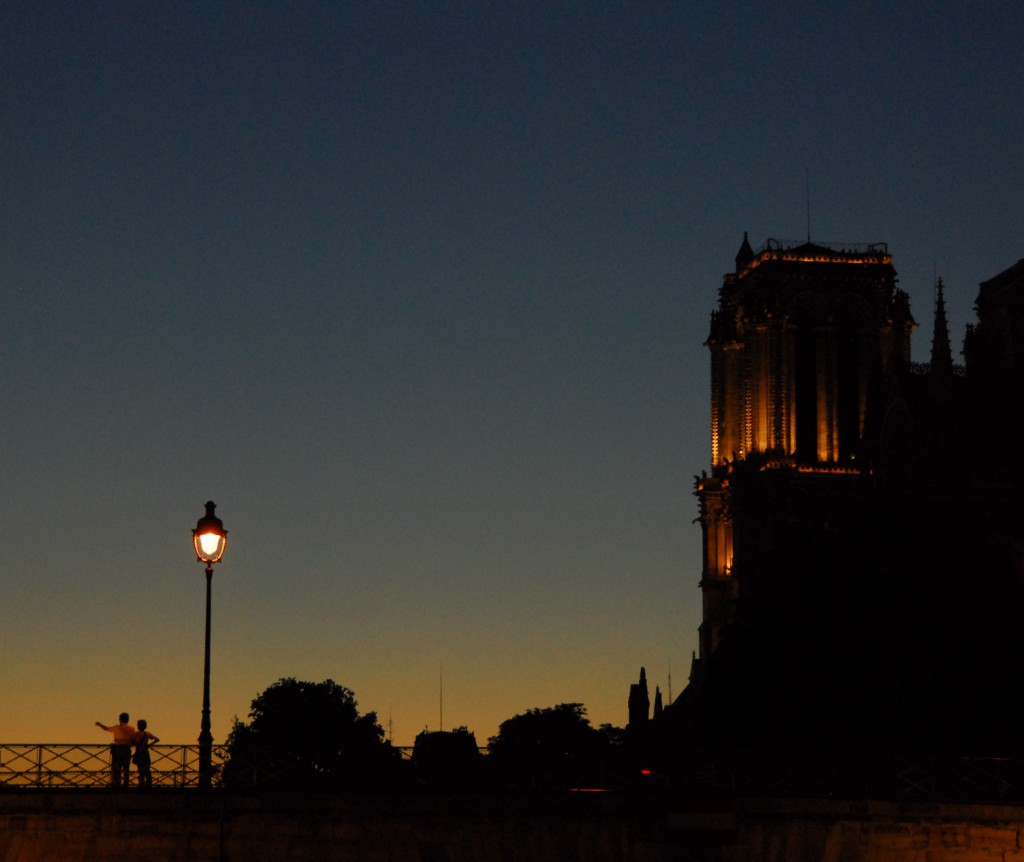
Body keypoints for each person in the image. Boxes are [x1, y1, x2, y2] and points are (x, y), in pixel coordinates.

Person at [96, 713, 136, 787]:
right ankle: (125, 784)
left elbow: (106, 728)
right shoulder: (132, 729)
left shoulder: (116, 727)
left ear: (120, 719)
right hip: (127, 750)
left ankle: (116, 784)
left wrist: (100, 724)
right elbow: (133, 741)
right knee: (126, 768)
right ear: (128, 719)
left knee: (117, 768)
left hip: (117, 750)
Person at [132, 719, 160, 788]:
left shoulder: (135, 734)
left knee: (140, 769)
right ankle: (149, 783)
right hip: (145, 752)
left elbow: (132, 742)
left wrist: (136, 744)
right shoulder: (147, 734)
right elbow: (157, 739)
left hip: (138, 752)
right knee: (147, 768)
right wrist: (148, 745)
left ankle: (141, 784)